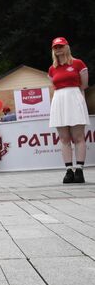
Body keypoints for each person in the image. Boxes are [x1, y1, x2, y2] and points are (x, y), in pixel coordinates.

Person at [48, 37, 89, 184]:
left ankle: (79, 170)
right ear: (53, 50)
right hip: (59, 100)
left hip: (74, 98)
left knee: (78, 137)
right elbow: (53, 86)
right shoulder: (52, 69)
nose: (58, 49)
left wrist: (76, 96)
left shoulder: (78, 63)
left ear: (67, 47)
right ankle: (68, 171)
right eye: (55, 47)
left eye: (61, 46)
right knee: (64, 138)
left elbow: (84, 84)